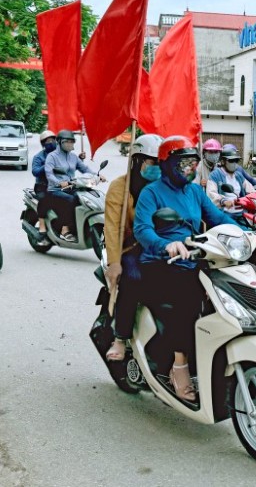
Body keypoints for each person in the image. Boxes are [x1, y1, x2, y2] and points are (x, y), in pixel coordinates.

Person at [133, 136, 234, 402]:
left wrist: (250, 233)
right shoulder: (151, 192)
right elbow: (142, 230)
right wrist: (167, 245)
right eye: (184, 164)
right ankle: (179, 366)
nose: (190, 169)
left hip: (196, 258)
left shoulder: (195, 192)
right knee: (187, 297)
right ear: (167, 165)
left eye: (193, 163)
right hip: (160, 263)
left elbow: (218, 219)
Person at [104, 133, 164, 362]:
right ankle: (120, 337)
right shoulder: (120, 187)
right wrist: (115, 262)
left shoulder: (164, 187)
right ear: (137, 161)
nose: (157, 168)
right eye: (152, 162)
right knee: (134, 278)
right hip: (131, 248)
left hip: (162, 247)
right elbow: (112, 227)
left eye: (161, 163)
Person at [44, 129, 103, 242]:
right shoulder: (52, 156)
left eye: (72, 142)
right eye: (67, 141)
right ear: (60, 142)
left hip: (71, 187)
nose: (70, 144)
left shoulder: (73, 157)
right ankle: (64, 230)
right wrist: (59, 182)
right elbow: (49, 173)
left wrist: (98, 175)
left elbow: (84, 169)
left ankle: (79, 226)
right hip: (55, 189)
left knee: (86, 197)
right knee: (71, 200)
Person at [31, 130, 57, 235]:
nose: (51, 142)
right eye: (48, 141)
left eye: (53, 140)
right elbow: (35, 171)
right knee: (44, 199)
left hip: (59, 184)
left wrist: (80, 158)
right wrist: (46, 165)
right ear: (43, 144)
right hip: (42, 186)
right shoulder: (38, 157)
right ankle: (42, 226)